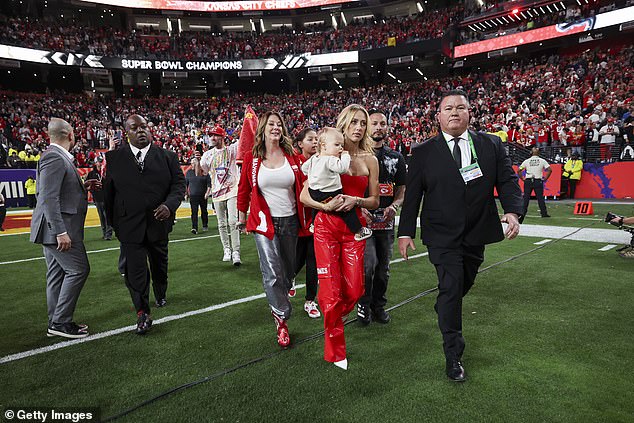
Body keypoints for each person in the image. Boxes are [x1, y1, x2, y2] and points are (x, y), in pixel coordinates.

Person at [397, 90, 523, 382]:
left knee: (460, 285)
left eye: (460, 107)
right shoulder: (423, 151)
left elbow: (507, 181)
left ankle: (445, 305)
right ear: (438, 116)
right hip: (441, 234)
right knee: (452, 289)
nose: (454, 112)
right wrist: (405, 232)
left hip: (477, 231)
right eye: (448, 108)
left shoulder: (491, 144)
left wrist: (514, 212)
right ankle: (453, 355)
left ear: (470, 113)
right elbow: (413, 196)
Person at [300, 104, 379, 370]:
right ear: (343, 125)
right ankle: (335, 352)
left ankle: (330, 314)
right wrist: (325, 207)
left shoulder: (370, 160)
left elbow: (374, 201)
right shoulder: (325, 156)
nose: (359, 127)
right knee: (331, 293)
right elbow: (304, 195)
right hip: (325, 229)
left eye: (362, 123)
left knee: (356, 289)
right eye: (353, 122)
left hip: (353, 230)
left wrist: (355, 200)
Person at [104, 114, 185, 335]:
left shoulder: (168, 156)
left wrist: (169, 206)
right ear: (126, 133)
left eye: (144, 127)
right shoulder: (114, 158)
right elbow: (109, 195)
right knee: (135, 272)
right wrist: (115, 225)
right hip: (129, 227)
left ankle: (160, 292)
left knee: (160, 266)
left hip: (159, 225)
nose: (140, 131)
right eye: (134, 128)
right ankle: (142, 312)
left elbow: (179, 185)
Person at [237, 111, 311, 348]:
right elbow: (244, 188)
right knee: (271, 272)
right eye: (271, 124)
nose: (276, 128)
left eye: (279, 124)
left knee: (288, 272)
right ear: (263, 128)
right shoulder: (252, 158)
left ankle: (285, 291)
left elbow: (306, 183)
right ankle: (281, 319)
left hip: (290, 221)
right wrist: (241, 217)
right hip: (263, 223)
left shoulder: (293, 156)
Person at [30, 118, 92, 339]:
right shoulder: (55, 158)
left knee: (56, 274)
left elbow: (56, 193)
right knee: (78, 269)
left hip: (52, 228)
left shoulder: (54, 157)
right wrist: (60, 231)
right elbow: (47, 197)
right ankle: (60, 321)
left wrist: (83, 187)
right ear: (70, 135)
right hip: (58, 229)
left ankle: (55, 321)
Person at [357, 110, 406, 325]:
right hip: (362, 221)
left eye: (382, 123)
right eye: (374, 123)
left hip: (386, 222)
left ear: (387, 127)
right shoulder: (357, 156)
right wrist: (359, 209)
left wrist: (395, 205)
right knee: (368, 266)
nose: (378, 127)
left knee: (383, 269)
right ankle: (363, 304)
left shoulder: (396, 157)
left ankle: (378, 306)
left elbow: (402, 187)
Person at [302, 127, 372, 241]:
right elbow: (342, 168)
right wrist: (345, 156)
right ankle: (358, 231)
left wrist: (313, 175)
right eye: (337, 145)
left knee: (316, 208)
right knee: (346, 209)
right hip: (331, 192)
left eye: (341, 145)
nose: (340, 148)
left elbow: (304, 168)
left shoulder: (314, 158)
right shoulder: (330, 159)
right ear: (324, 146)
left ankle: (313, 225)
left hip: (314, 192)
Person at [197, 125, 241, 265]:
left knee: (233, 222)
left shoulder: (232, 149)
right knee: (221, 224)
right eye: (211, 135)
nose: (212, 138)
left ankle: (236, 252)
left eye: (215, 135)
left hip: (232, 190)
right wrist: (197, 161)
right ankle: (226, 249)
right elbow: (200, 173)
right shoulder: (207, 155)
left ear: (222, 137)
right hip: (217, 192)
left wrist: (247, 122)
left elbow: (246, 138)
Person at [292, 128, 321, 318]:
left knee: (313, 262)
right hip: (296, 220)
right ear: (300, 143)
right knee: (296, 260)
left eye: (317, 139)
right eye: (310, 139)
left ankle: (310, 301)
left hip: (317, 219)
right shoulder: (293, 162)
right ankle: (289, 279)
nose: (315, 142)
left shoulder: (323, 161)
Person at [518, 147, 552, 220]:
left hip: (528, 180)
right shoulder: (542, 160)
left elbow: (519, 170)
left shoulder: (527, 161)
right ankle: (544, 213)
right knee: (540, 198)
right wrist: (545, 178)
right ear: (539, 153)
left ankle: (523, 213)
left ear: (531, 153)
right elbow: (549, 170)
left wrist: (522, 178)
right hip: (537, 180)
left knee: (526, 198)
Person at [86, 157, 112, 240]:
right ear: (95, 163)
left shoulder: (105, 173)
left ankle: (108, 234)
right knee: (101, 217)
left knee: (107, 216)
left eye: (101, 162)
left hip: (105, 198)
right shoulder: (91, 173)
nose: (100, 164)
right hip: (97, 198)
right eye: (99, 162)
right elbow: (87, 184)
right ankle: (104, 232)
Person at [185, 156, 211, 235]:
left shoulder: (204, 172)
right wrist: (186, 193)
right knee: (194, 212)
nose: (192, 164)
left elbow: (209, 184)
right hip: (193, 196)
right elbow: (186, 184)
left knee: (204, 211)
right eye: (191, 163)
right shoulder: (189, 172)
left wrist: (207, 193)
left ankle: (205, 224)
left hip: (203, 195)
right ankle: (194, 227)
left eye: (193, 163)